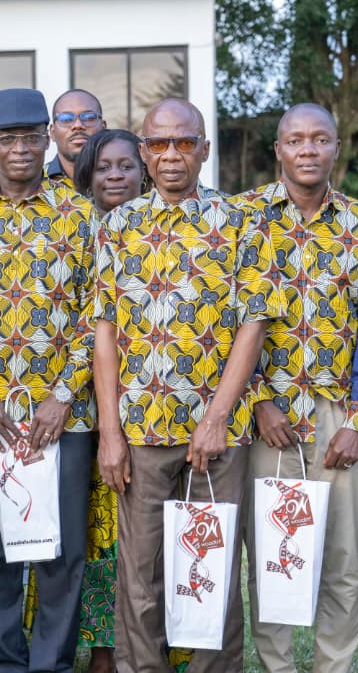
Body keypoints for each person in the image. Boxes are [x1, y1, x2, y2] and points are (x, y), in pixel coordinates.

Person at [94, 99, 279, 673]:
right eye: (157, 144)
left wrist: (218, 417)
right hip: (141, 429)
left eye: (183, 143)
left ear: (204, 148)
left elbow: (254, 323)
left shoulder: (242, 221)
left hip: (217, 434)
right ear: (144, 152)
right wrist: (109, 431)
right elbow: (104, 330)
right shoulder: (118, 226)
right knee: (141, 574)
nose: (170, 154)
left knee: (212, 570)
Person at [239, 103, 358, 673]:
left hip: (335, 415)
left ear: (335, 149)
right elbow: (227, 317)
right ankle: (277, 665)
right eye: (296, 140)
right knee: (272, 554)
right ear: (278, 150)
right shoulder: (243, 217)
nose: (308, 150)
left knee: (340, 556)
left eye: (320, 139)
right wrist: (258, 400)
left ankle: (334, 665)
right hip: (266, 419)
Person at [0, 88, 95, 673]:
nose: (19, 149)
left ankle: (51, 664)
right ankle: (4, 663)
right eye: (7, 140)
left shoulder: (82, 217)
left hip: (65, 416)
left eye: (31, 138)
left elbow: (100, 311)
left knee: (62, 552)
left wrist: (64, 393)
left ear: (48, 140)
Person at [67, 128, 145, 673]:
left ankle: (158, 648)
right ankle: (102, 651)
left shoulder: (174, 230)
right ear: (86, 175)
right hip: (89, 416)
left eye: (125, 166)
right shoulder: (74, 233)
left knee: (149, 543)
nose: (115, 176)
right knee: (99, 543)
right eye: (103, 167)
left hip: (155, 413)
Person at [46, 89, 106, 189]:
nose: (78, 125)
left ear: (103, 128)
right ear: (53, 132)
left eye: (88, 117)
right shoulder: (34, 184)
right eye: (66, 119)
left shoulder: (121, 180)